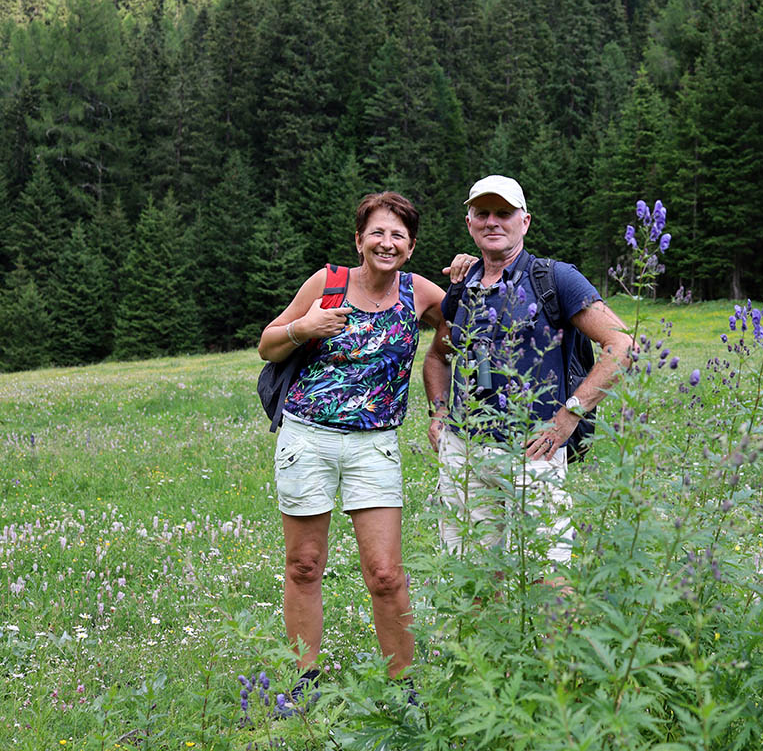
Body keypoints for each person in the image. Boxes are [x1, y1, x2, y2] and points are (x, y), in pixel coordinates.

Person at [258, 191, 449, 715]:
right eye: (378, 233)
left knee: (385, 574)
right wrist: (304, 328)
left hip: (375, 445)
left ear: (410, 247)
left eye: (399, 235)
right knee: (304, 565)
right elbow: (268, 343)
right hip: (307, 438)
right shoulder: (328, 284)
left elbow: (459, 328)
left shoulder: (420, 294)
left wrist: (440, 399)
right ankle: (303, 685)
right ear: (359, 239)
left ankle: (404, 689)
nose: (387, 243)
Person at [424, 175, 632, 565]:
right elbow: (438, 355)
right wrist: (438, 412)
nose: (492, 222)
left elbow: (622, 346)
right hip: (463, 453)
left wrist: (569, 416)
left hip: (532, 450)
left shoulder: (555, 278)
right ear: (469, 223)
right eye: (481, 213)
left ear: (526, 221)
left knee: (547, 570)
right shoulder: (463, 284)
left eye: (504, 213)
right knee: (474, 575)